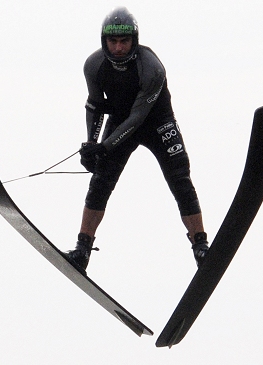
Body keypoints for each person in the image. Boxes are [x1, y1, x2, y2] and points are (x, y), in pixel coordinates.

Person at [64, 6, 209, 273]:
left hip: (156, 122)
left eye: (124, 41)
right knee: (100, 182)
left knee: (180, 179)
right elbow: (95, 105)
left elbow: (138, 117)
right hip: (121, 122)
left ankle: (200, 246)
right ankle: (82, 250)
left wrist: (105, 146)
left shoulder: (151, 68)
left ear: (135, 40)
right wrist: (90, 145)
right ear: (104, 40)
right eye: (113, 41)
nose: (118, 48)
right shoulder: (93, 65)